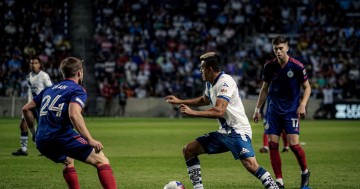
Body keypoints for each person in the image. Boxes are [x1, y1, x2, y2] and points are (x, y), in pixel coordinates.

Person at [165, 52, 279, 189]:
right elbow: (204, 100)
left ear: (210, 69)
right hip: (224, 132)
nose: (200, 71)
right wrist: (180, 101)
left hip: (238, 130)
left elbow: (219, 110)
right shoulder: (210, 84)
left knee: (251, 165)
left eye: (202, 68)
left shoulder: (225, 82)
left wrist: (193, 113)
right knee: (189, 150)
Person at [22, 57, 117, 189]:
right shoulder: (77, 89)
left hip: (41, 140)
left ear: (63, 73)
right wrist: (90, 139)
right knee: (102, 161)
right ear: (79, 73)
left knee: (69, 160)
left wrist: (34, 134)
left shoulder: (49, 89)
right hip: (61, 136)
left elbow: (26, 108)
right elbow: (74, 114)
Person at [253, 36, 311, 189]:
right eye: (275, 49)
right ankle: (279, 181)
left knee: (294, 145)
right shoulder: (269, 66)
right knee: (273, 145)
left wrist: (303, 105)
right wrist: (258, 109)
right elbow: (264, 89)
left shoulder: (297, 66)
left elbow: (307, 87)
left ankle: (305, 172)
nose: (278, 51)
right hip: (273, 111)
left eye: (281, 48)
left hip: (291, 111)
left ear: (287, 48)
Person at [12, 58, 53, 156]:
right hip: (30, 104)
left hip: (40, 105)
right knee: (23, 125)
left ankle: (45, 149)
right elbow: (30, 90)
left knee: (42, 128)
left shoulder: (44, 75)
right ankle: (24, 149)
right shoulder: (28, 76)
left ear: (39, 65)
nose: (33, 65)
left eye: (35, 63)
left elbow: (50, 89)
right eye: (31, 63)